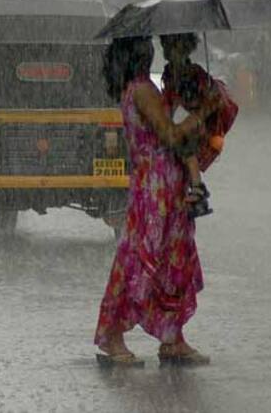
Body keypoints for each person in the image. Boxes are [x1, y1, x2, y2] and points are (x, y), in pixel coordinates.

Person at [94, 36, 220, 366]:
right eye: (147, 45)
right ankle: (111, 333)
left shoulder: (139, 88)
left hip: (165, 186)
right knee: (140, 258)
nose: (153, 48)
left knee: (172, 260)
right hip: (155, 189)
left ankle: (172, 336)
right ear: (139, 53)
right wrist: (203, 112)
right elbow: (171, 135)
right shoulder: (142, 90)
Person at [160, 33, 238, 218]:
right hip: (181, 122)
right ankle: (194, 189)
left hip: (190, 124)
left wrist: (192, 113)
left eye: (172, 47)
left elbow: (199, 100)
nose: (168, 52)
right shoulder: (171, 71)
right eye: (166, 46)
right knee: (185, 155)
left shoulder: (190, 73)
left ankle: (197, 188)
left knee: (187, 153)